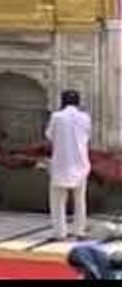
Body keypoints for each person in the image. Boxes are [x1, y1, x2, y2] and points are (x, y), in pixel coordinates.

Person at [46, 90, 91, 241]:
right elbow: (87, 135)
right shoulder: (85, 117)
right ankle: (79, 231)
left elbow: (49, 136)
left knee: (58, 200)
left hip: (61, 163)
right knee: (80, 199)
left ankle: (60, 233)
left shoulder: (57, 117)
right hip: (81, 163)